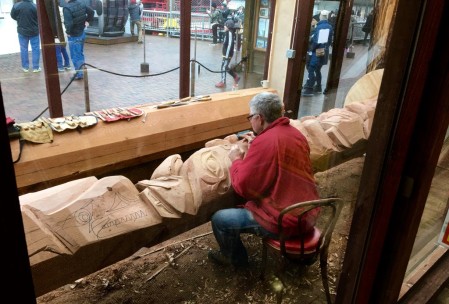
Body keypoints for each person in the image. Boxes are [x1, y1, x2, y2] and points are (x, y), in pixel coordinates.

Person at [208, 92, 320, 267]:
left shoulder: (266, 142)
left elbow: (244, 187)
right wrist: (258, 144)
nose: (250, 121)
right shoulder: (296, 134)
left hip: (286, 221)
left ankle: (235, 260)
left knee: (221, 219)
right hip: (308, 213)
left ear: (259, 118)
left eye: (250, 117)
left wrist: (236, 159)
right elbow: (277, 158)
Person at [301, 10, 333, 97]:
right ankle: (318, 87)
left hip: (317, 50)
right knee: (317, 69)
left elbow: (317, 41)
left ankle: (309, 89)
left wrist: (311, 50)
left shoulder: (320, 27)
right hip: (324, 50)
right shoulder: (329, 27)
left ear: (321, 17)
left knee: (311, 68)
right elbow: (329, 41)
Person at [63, 0, 94, 80]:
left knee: (75, 55)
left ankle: (79, 73)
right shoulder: (81, 3)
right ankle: (81, 71)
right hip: (81, 32)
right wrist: (87, 20)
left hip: (74, 35)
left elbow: (68, 23)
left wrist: (68, 32)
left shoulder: (67, 8)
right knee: (80, 53)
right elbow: (91, 12)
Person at [10, 0, 41, 73]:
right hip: (34, 31)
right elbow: (39, 17)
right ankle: (36, 67)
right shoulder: (35, 6)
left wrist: (19, 19)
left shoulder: (16, 6)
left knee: (24, 49)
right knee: (35, 49)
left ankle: (25, 67)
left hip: (22, 31)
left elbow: (12, 16)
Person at [215, 19, 240, 89]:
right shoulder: (228, 32)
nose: (224, 27)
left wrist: (226, 55)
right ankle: (235, 76)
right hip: (226, 53)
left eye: (225, 26)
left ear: (228, 26)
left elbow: (230, 44)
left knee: (223, 67)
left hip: (227, 54)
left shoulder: (229, 33)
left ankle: (223, 81)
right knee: (225, 67)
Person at [56, 1, 71, 72]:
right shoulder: (63, 9)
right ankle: (67, 64)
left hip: (57, 31)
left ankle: (60, 66)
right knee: (63, 49)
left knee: (57, 50)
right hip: (64, 29)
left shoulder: (54, 12)